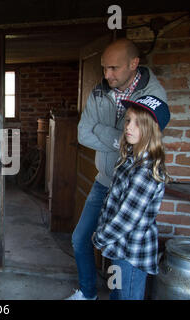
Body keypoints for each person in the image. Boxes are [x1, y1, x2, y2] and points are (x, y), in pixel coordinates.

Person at [65, 39, 167, 300]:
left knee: (121, 264)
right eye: (103, 68)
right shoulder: (100, 91)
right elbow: (83, 133)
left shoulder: (152, 96)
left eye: (113, 68)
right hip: (105, 181)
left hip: (128, 188)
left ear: (134, 64)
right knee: (80, 240)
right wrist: (117, 140)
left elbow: (140, 141)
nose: (106, 75)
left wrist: (102, 131)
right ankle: (88, 294)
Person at [93, 95, 170, 300]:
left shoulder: (146, 170)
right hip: (118, 247)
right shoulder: (129, 158)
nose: (129, 127)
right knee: (116, 292)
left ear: (152, 130)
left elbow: (126, 218)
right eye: (128, 120)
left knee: (127, 296)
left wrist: (100, 237)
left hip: (131, 253)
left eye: (138, 123)